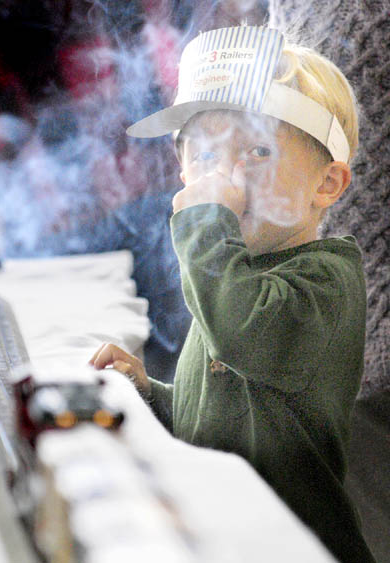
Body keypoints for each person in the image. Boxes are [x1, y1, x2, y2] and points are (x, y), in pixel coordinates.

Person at [89, 25, 376, 563]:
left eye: (257, 152)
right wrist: (152, 393)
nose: (225, 178)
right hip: (226, 535)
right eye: (203, 156)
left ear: (327, 185)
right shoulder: (230, 273)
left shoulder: (328, 281)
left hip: (297, 547)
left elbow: (246, 337)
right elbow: (220, 417)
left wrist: (203, 225)